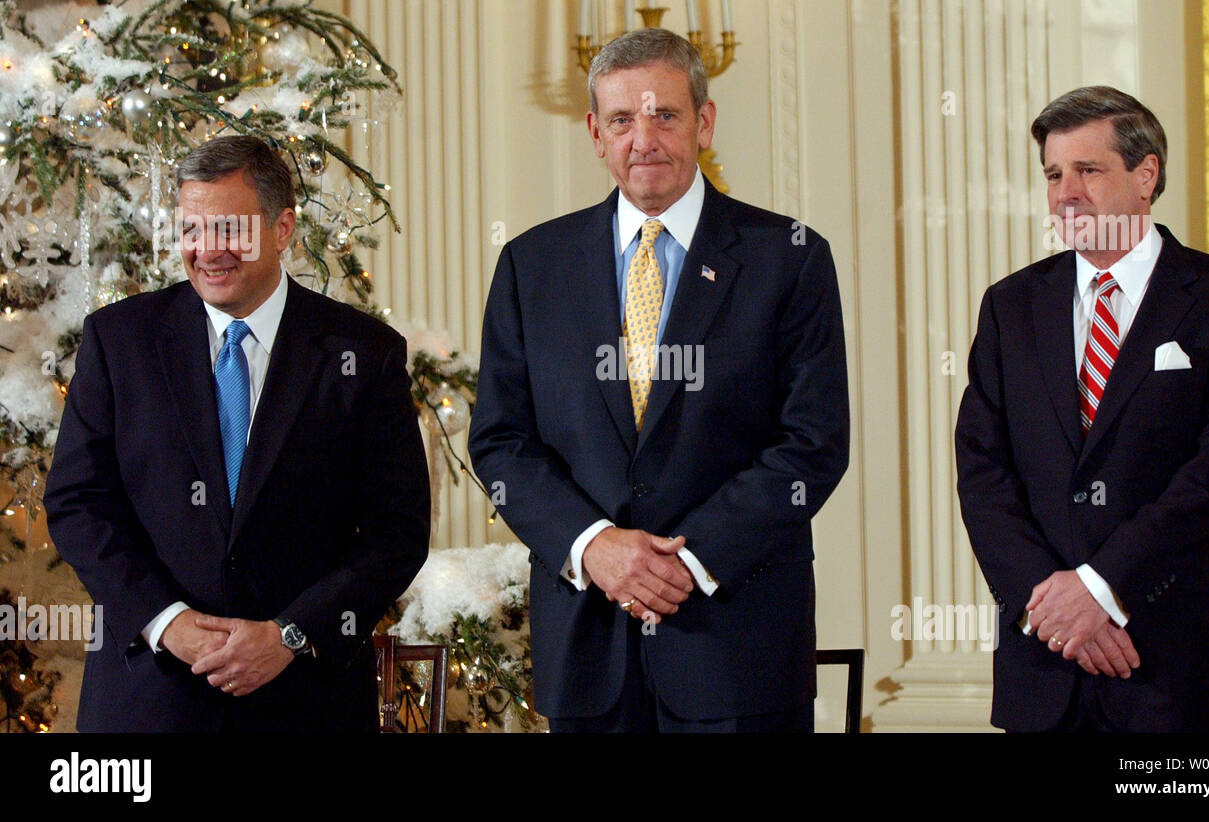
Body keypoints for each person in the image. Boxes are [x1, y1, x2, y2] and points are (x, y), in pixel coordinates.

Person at [468, 29, 849, 732]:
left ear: (703, 122)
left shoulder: (788, 259)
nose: (644, 139)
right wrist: (595, 546)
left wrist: (691, 561)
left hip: (738, 649)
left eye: (665, 115)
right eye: (622, 119)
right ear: (595, 133)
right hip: (588, 652)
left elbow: (814, 443)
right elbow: (499, 443)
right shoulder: (531, 266)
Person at [43, 135, 430, 732]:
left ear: (282, 228)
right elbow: (77, 503)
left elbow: (396, 532)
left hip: (305, 701)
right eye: (192, 230)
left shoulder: (362, 353)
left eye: (229, 229)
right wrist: (166, 621)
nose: (207, 251)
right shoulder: (120, 341)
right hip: (148, 701)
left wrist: (290, 634)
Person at [955, 86, 1209, 732]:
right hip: (1044, 673)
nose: (1064, 193)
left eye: (1087, 170)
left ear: (1146, 174)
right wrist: (1053, 607)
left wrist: (1101, 590)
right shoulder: (1010, 308)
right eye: (1053, 175)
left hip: (1171, 674)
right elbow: (983, 475)